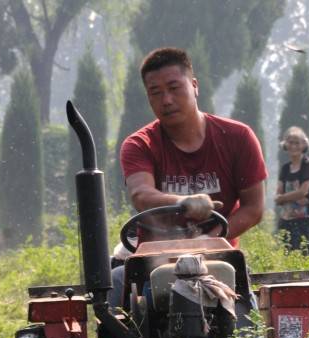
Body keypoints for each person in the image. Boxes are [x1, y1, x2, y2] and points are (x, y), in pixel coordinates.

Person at [110, 47, 267, 310]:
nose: (167, 100)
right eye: (156, 93)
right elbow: (141, 195)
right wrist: (185, 202)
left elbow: (254, 208)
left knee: (244, 322)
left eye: (174, 88)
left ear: (194, 86)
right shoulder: (139, 145)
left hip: (219, 259)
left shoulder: (238, 138)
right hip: (155, 261)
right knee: (115, 288)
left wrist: (210, 241)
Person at [275, 126, 309, 254]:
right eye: (291, 142)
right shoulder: (285, 168)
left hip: (305, 220)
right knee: (287, 254)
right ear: (286, 145)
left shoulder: (308, 166)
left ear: (304, 145)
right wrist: (286, 197)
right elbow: (278, 193)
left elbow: (303, 192)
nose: (294, 146)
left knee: (302, 254)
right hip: (287, 219)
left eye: (297, 143)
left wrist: (284, 197)